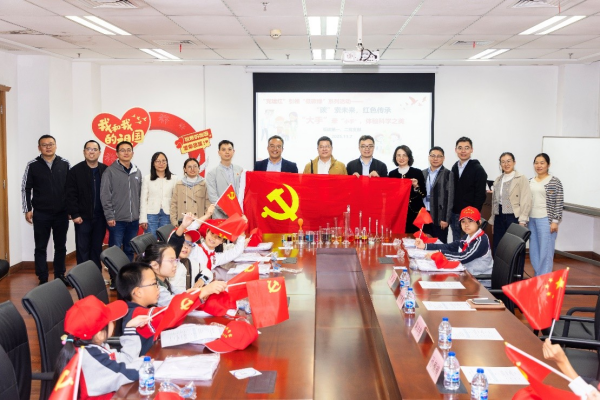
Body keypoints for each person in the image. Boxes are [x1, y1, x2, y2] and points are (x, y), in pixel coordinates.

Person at [53, 295, 149, 399]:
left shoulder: (92, 348)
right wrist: (146, 365)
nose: (113, 322)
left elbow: (125, 361)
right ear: (100, 335)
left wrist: (130, 328)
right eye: (111, 321)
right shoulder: (92, 357)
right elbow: (125, 374)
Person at [22, 135, 71, 286]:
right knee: (40, 247)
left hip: (62, 212)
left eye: (51, 144)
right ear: (39, 148)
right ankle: (42, 277)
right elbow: (26, 188)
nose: (48, 147)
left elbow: (71, 188)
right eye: (44, 145)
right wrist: (27, 209)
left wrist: (71, 209)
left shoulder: (65, 163)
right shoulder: (32, 165)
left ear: (56, 146)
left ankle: (60, 275)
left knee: (61, 246)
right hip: (41, 213)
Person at [100, 141, 143, 288]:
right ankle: (115, 279)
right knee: (115, 250)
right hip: (116, 220)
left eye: (128, 150)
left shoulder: (137, 171)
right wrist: (109, 216)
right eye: (122, 150)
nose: (126, 152)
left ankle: (127, 280)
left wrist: (139, 214)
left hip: (133, 220)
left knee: (130, 250)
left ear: (132, 153)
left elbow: (140, 195)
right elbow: (105, 195)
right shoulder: (110, 172)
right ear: (117, 153)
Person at [136, 242, 226, 307]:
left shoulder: (163, 279)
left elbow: (180, 294)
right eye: (171, 261)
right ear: (155, 265)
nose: (175, 264)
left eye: (176, 260)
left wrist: (199, 291)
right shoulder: (154, 287)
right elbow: (174, 304)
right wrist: (204, 291)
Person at [169, 213, 248, 285]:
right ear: (207, 232)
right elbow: (184, 235)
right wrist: (206, 215)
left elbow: (236, 252)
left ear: (222, 241)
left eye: (219, 237)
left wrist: (241, 230)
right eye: (212, 233)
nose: (213, 238)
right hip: (186, 285)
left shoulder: (216, 257)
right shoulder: (194, 248)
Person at [66, 140, 107, 272]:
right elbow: (70, 194)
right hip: (82, 218)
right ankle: (83, 277)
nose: (91, 152)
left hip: (100, 218)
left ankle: (95, 275)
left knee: (96, 248)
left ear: (99, 152)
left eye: (95, 149)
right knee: (82, 248)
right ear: (84, 152)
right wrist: (75, 214)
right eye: (89, 149)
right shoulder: (75, 171)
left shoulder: (105, 170)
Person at [415, 206, 493, 276]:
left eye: (470, 221)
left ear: (479, 222)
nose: (466, 224)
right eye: (463, 221)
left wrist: (440, 253)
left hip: (478, 280)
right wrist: (425, 246)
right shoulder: (467, 237)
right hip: (465, 274)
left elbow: (463, 257)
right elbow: (449, 247)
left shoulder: (481, 240)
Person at [117, 262, 167, 355]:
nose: (158, 288)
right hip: (146, 359)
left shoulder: (131, 308)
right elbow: (170, 314)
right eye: (154, 283)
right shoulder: (137, 314)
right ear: (138, 292)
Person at [488, 152, 532, 253]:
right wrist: (493, 220)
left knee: (515, 247)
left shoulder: (521, 178)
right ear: (500, 164)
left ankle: (516, 265)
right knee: (498, 245)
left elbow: (526, 199)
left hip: (514, 217)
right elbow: (495, 201)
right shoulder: (498, 179)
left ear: (514, 162)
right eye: (503, 162)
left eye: (509, 161)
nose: (506, 164)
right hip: (499, 216)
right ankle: (498, 264)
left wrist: (522, 220)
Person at [529, 153, 563, 276]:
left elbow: (559, 202)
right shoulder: (530, 181)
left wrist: (555, 221)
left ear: (548, 165)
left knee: (546, 251)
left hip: (546, 220)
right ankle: (538, 277)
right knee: (534, 251)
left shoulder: (554, 181)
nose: (539, 165)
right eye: (536, 163)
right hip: (531, 219)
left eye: (542, 163)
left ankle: (544, 279)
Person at [450, 137, 488, 242]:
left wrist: (472, 216)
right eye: (460, 148)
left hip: (469, 216)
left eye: (466, 148)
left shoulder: (478, 169)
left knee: (468, 243)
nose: (463, 151)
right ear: (455, 150)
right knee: (457, 242)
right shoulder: (455, 167)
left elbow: (480, 195)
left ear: (471, 150)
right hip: (455, 214)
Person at [388, 145, 426, 234]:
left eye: (404, 155)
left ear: (409, 157)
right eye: (398, 155)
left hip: (414, 214)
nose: (401, 158)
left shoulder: (417, 172)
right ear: (395, 157)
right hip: (397, 213)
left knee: (413, 238)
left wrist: (416, 186)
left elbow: (423, 193)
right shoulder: (392, 174)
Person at [139, 152, 177, 236]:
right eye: (158, 161)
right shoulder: (147, 178)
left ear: (167, 163)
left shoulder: (174, 179)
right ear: (153, 163)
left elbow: (176, 199)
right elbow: (143, 200)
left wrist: (175, 217)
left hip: (167, 214)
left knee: (165, 239)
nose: (161, 164)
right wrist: (143, 219)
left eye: (163, 161)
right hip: (151, 214)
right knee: (151, 239)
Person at [421, 146, 454, 243]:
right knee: (424, 242)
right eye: (433, 156)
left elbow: (450, 198)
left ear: (443, 158)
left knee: (439, 244)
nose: (435, 158)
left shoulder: (448, 174)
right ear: (429, 157)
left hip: (440, 216)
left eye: (439, 156)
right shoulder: (422, 173)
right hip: (424, 214)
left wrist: (446, 219)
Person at [206, 140, 244, 219]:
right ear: (219, 152)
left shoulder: (240, 170)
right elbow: (213, 197)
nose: (227, 152)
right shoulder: (212, 173)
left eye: (229, 149)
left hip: (239, 215)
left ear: (233, 151)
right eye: (223, 150)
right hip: (220, 216)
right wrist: (229, 211)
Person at [170, 158, 210, 226]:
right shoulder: (179, 185)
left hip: (199, 222)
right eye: (189, 167)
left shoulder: (204, 184)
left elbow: (208, 205)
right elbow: (173, 204)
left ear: (199, 169)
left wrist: (205, 222)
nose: (192, 169)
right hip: (182, 222)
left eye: (195, 166)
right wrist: (174, 222)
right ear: (185, 169)